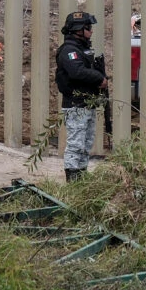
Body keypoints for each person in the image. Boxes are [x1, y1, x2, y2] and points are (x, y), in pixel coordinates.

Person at [55, 10, 108, 182]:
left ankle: (81, 178)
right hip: (76, 105)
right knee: (76, 144)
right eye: (88, 28)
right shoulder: (69, 51)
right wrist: (99, 78)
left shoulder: (82, 50)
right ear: (79, 29)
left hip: (87, 104)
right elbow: (76, 71)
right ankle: (72, 180)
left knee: (86, 144)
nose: (91, 31)